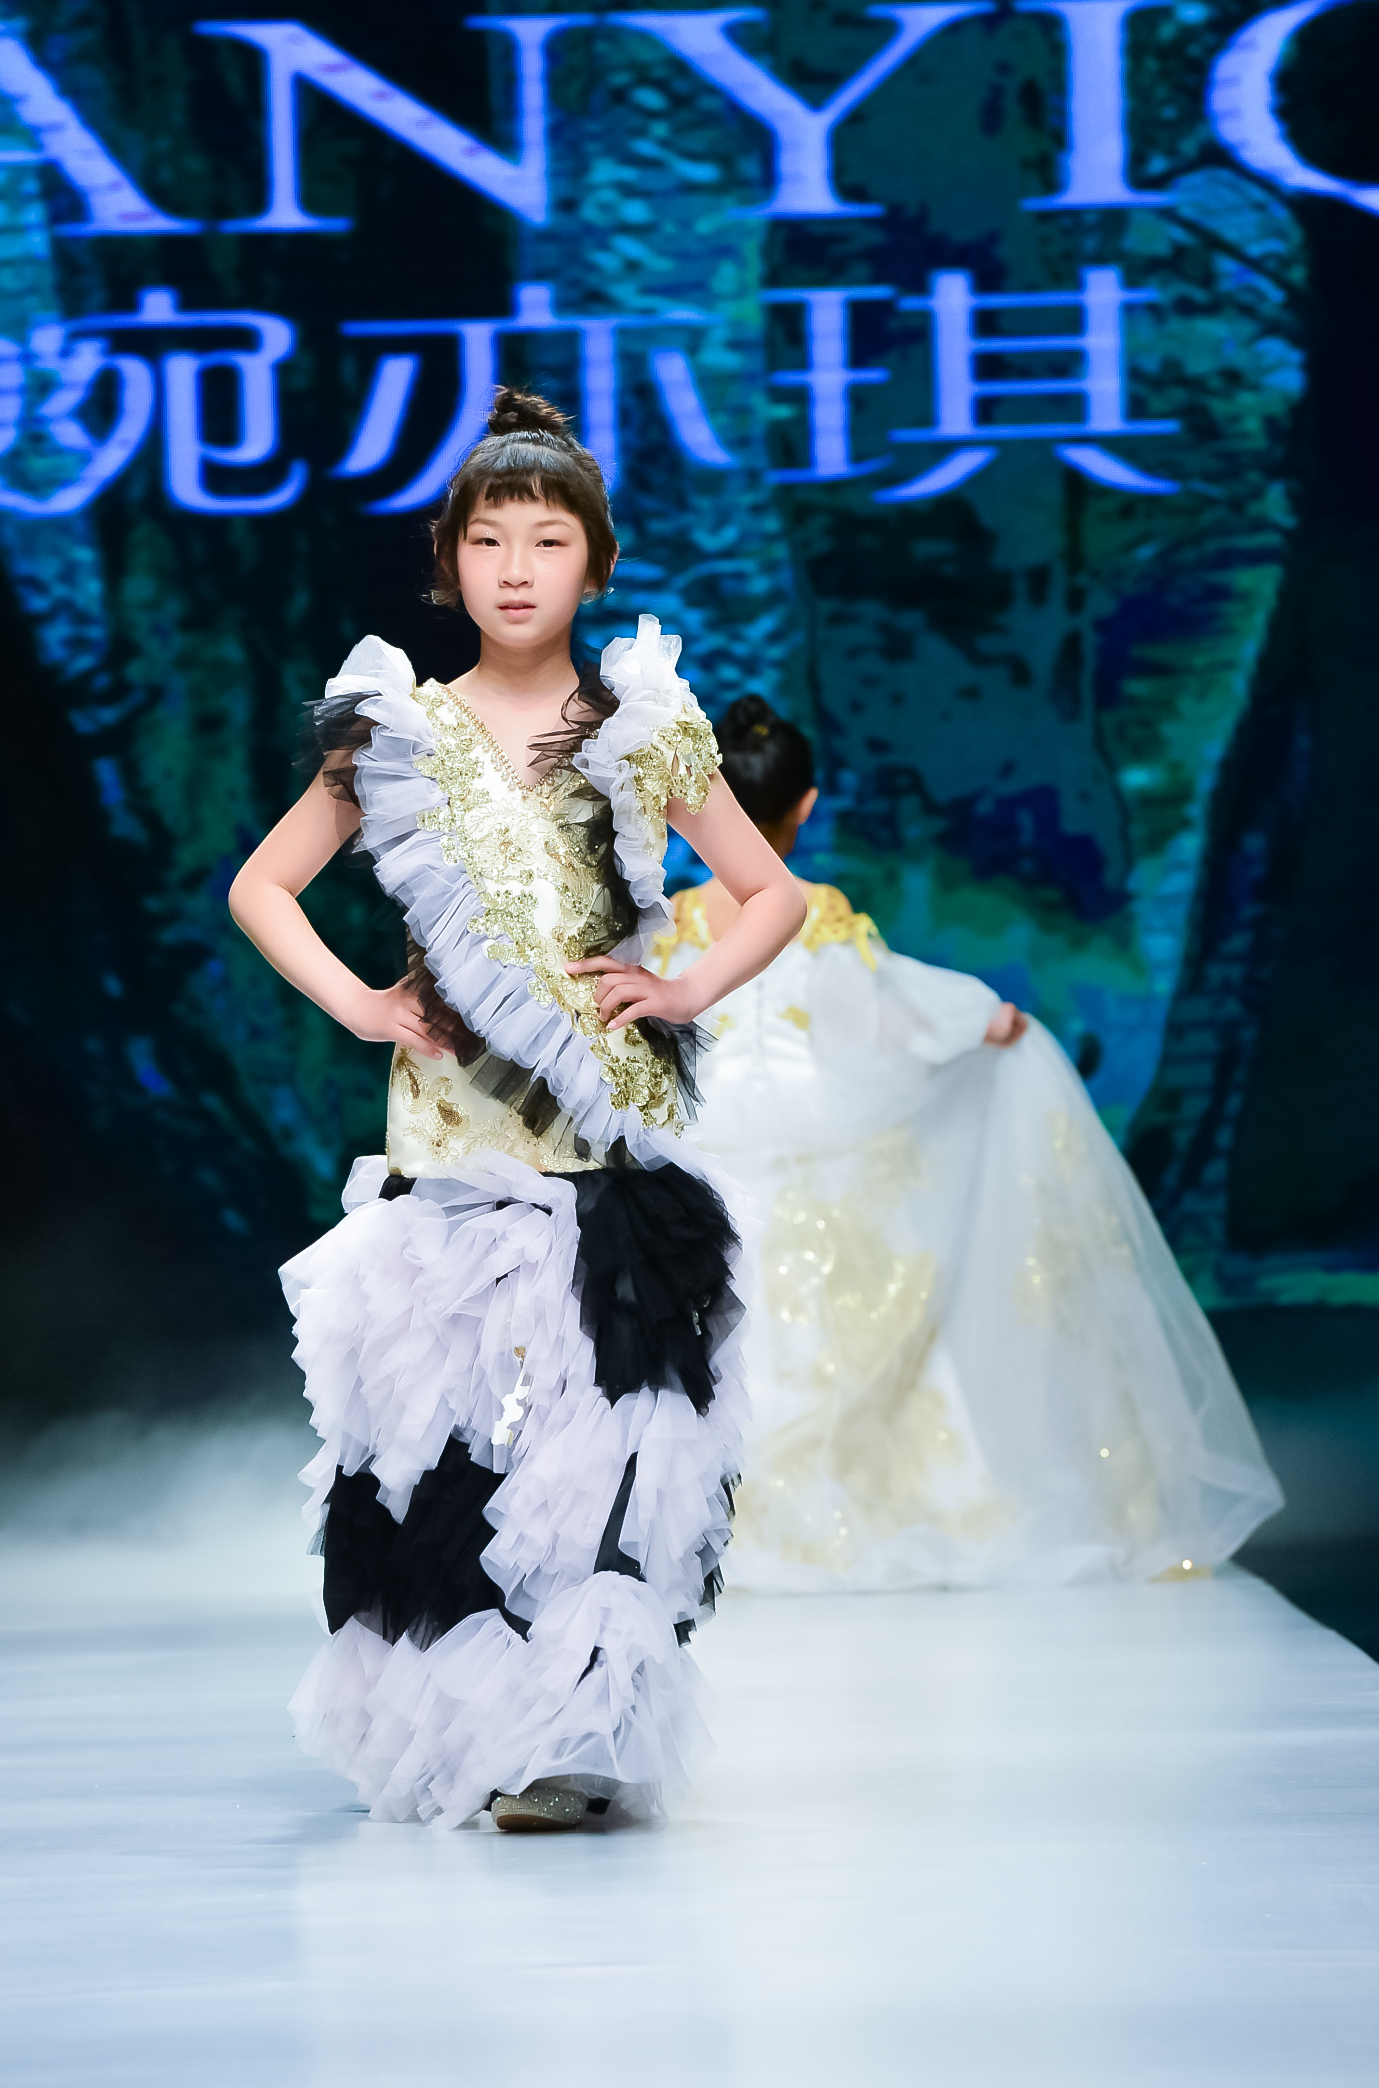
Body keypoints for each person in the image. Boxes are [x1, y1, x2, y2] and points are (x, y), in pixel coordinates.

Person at [227, 391, 804, 1831]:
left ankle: (575, 1739)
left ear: (595, 565)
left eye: (548, 540)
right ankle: (472, 1723)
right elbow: (260, 885)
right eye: (487, 540)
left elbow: (769, 892)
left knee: (601, 1440)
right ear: (449, 562)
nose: (515, 568)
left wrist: (680, 989)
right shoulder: (397, 734)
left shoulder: (640, 730)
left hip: (601, 1145)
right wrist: (362, 1005)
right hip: (448, 1144)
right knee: (446, 1448)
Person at [652, 696, 1283, 1595]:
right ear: (807, 805)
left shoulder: (672, 923)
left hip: (702, 1140)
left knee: (724, 1328)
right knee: (844, 1316)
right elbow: (882, 1019)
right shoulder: (812, 913)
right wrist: (980, 1022)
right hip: (817, 1143)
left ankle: (700, 1527)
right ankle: (844, 1519)